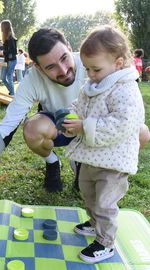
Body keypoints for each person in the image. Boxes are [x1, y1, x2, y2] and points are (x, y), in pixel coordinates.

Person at [0, 28, 150, 215]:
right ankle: (53, 162)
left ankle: (89, 166)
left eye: (64, 58)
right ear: (38, 67)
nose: (64, 71)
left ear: (68, 46)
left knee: (141, 133)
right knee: (33, 129)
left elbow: (125, 104)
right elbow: (8, 126)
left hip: (94, 130)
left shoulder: (93, 63)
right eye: (51, 67)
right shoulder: (31, 80)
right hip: (58, 129)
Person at [62, 25, 145, 263]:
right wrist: (70, 117)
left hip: (114, 161)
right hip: (92, 157)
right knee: (88, 193)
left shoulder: (126, 88)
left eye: (96, 69)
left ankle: (105, 242)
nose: (90, 74)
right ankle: (94, 222)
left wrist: (85, 125)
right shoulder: (93, 85)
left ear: (118, 63)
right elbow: (80, 106)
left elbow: (122, 124)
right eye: (87, 68)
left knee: (104, 202)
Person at [0, 20, 17, 96]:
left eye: (1, 26)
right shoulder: (6, 38)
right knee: (3, 78)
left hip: (11, 60)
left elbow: (13, 51)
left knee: (9, 76)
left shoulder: (10, 38)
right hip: (7, 60)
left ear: (4, 27)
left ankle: (12, 94)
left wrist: (3, 52)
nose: (0, 28)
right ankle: (12, 91)